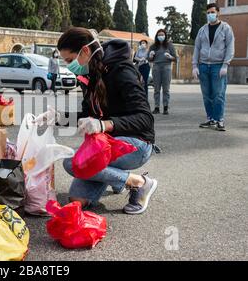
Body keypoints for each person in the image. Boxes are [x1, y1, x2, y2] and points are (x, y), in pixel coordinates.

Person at [56, 27, 157, 215]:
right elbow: (87, 115)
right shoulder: (89, 75)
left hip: (136, 144)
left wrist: (105, 124)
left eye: (70, 60)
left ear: (85, 51)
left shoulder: (121, 71)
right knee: (76, 201)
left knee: (72, 164)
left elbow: (145, 119)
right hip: (104, 145)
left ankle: (140, 183)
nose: (68, 66)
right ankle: (114, 178)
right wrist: (58, 117)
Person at [192, 3, 234, 132]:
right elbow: (197, 48)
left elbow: (230, 47)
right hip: (204, 66)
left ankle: (219, 120)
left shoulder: (226, 28)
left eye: (212, 12)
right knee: (207, 95)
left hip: (218, 66)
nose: (210, 15)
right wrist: (195, 65)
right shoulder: (202, 30)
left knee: (218, 94)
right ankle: (211, 119)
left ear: (218, 13)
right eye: (208, 13)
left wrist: (225, 64)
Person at [148, 29, 177, 115]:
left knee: (166, 89)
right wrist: (150, 56)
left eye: (162, 35)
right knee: (156, 89)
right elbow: (149, 59)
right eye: (159, 35)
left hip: (166, 67)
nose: (161, 36)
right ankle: (156, 107)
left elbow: (175, 58)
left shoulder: (169, 45)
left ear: (165, 36)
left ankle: (165, 107)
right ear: (157, 36)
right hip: (156, 67)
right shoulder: (153, 46)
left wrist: (170, 57)